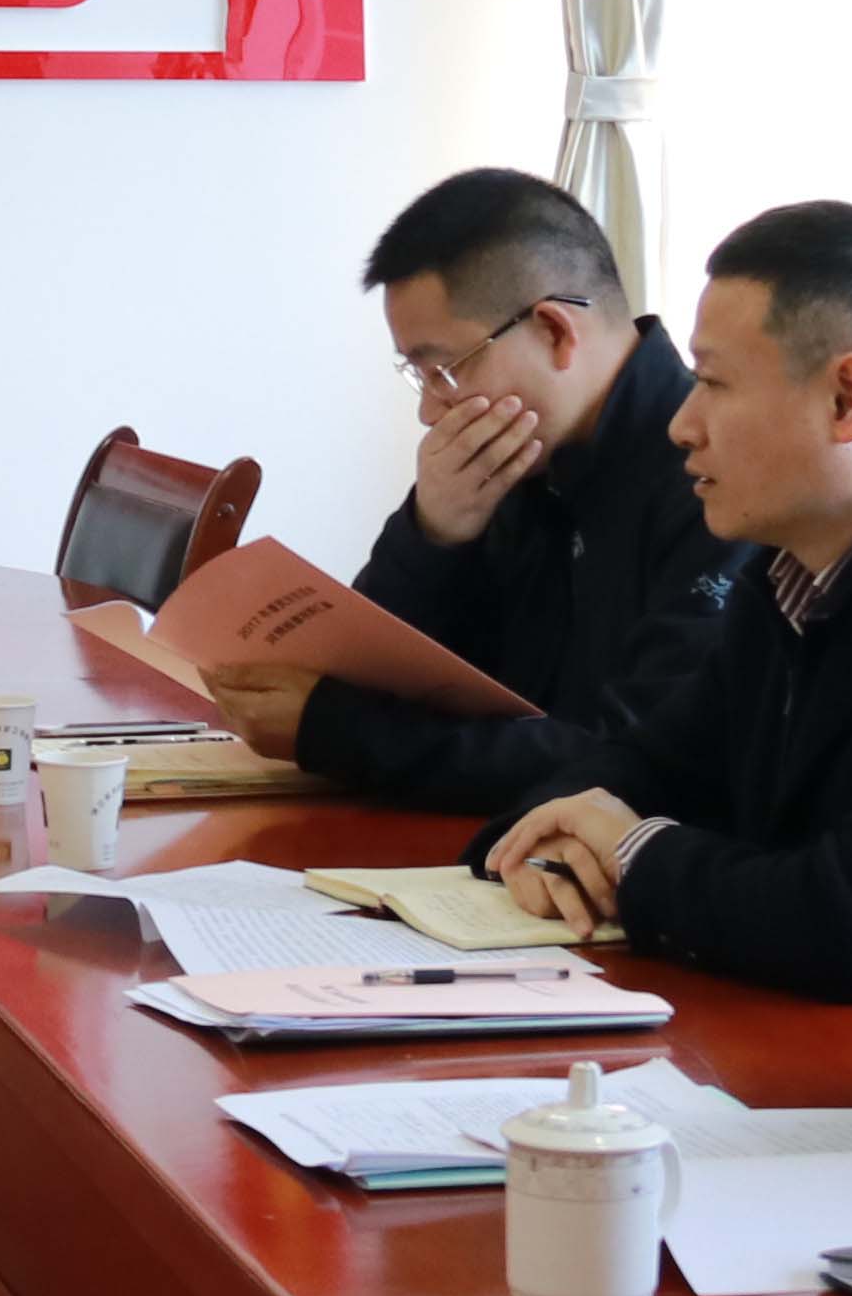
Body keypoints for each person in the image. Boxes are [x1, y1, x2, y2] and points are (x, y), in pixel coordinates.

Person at [466, 200, 852, 1012]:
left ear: (846, 400)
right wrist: (549, 839)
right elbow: (635, 767)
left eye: (712, 383)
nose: (682, 425)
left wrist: (631, 854)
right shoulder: (785, 577)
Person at [218, 167, 744, 823]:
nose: (429, 411)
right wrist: (431, 537)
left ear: (554, 331)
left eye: (442, 371)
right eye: (418, 376)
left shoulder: (719, 481)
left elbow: (634, 759)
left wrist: (335, 733)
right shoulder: (513, 463)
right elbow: (374, 679)